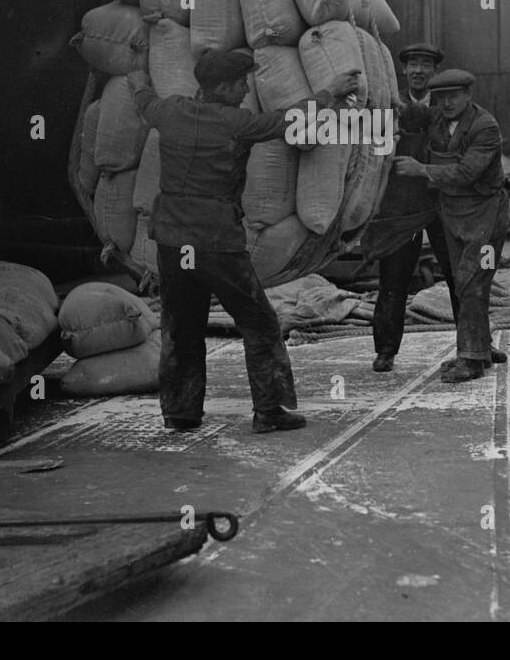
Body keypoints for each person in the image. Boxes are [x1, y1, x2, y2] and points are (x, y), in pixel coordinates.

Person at [128, 51, 363, 432]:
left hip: (172, 239)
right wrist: (329, 93)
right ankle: (269, 410)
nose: (245, 89)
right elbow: (287, 120)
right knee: (259, 321)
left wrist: (137, 73)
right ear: (220, 87)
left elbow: (142, 99)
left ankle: (180, 412)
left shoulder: (169, 112)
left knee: (181, 324)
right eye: (240, 83)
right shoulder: (236, 123)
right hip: (215, 239)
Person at [392, 69, 510, 383]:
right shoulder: (437, 121)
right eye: (440, 98)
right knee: (465, 284)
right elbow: (412, 114)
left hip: (485, 214)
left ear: (468, 95)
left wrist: (420, 169)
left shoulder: (484, 126)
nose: (446, 104)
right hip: (454, 214)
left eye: (453, 97)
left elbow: (467, 172)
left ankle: (471, 359)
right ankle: (480, 349)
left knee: (472, 282)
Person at [362, 42, 461, 373]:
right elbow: (372, 153)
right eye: (413, 65)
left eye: (425, 65)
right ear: (404, 70)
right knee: (394, 279)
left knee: (460, 274)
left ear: (435, 71)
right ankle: (385, 350)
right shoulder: (388, 104)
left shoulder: (448, 106)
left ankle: (475, 344)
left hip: (441, 201)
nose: (418, 70)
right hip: (400, 205)